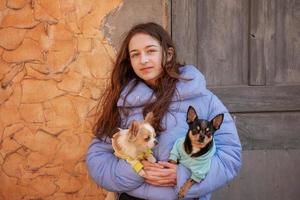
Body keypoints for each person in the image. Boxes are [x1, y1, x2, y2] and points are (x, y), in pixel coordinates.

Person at [86, 22, 242, 200]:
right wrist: (136, 169)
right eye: (135, 55)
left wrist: (182, 175)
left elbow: (230, 155)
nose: (143, 60)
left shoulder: (203, 99)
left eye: (150, 51)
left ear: (168, 54)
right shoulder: (123, 103)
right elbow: (98, 156)